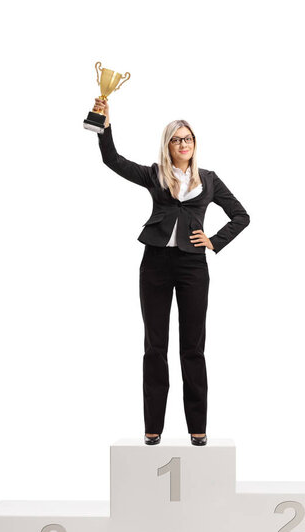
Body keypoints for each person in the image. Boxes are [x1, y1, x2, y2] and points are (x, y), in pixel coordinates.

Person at [93, 97, 250, 447]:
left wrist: (213, 241)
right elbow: (112, 160)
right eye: (177, 139)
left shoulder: (208, 180)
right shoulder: (155, 174)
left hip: (193, 265)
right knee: (155, 346)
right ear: (168, 145)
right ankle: (153, 428)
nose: (183, 144)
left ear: (195, 144)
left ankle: (198, 427)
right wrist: (104, 126)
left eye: (188, 139)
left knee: (193, 348)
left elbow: (241, 216)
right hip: (156, 265)